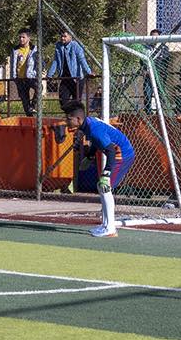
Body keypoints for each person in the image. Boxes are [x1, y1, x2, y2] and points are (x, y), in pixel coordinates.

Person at [63, 101, 135, 238]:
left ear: (78, 119)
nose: (67, 122)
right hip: (118, 153)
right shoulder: (88, 124)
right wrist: (90, 156)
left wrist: (106, 174)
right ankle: (105, 225)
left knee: (104, 187)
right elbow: (98, 142)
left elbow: (111, 151)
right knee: (102, 187)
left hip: (122, 155)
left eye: (69, 119)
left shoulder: (94, 129)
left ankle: (110, 229)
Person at [47, 30, 92, 110]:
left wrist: (88, 72)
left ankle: (77, 115)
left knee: (76, 102)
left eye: (65, 36)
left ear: (70, 37)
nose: (62, 38)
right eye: (61, 36)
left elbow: (81, 59)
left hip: (76, 78)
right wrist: (50, 74)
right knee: (63, 100)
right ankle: (70, 114)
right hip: (65, 78)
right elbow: (56, 61)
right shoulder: (58, 46)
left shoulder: (75, 45)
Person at [9, 29, 38, 116]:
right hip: (20, 79)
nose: (21, 39)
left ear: (29, 38)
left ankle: (33, 106)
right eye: (20, 37)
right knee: (25, 102)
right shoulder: (15, 50)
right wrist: (13, 77)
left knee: (39, 87)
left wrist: (36, 72)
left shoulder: (34, 49)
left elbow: (40, 62)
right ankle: (30, 118)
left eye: (23, 37)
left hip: (31, 77)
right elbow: (12, 64)